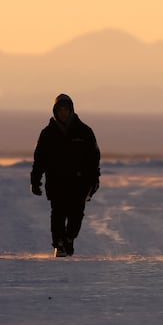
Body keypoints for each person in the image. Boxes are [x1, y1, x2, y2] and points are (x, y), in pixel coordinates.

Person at [30, 92, 100, 257]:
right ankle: (59, 244)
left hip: (79, 182)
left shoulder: (84, 131)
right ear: (55, 111)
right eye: (60, 109)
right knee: (58, 213)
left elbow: (94, 157)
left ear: (71, 110)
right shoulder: (47, 134)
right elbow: (39, 159)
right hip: (56, 181)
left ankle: (69, 238)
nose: (63, 112)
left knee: (76, 214)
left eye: (65, 109)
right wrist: (35, 180)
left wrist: (94, 179)